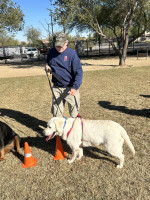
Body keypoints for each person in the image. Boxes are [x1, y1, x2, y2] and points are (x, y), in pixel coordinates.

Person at [45, 32, 83, 118]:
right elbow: (48, 62)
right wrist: (47, 67)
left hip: (70, 88)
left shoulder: (72, 54)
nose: (59, 48)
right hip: (56, 88)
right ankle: (58, 131)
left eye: (61, 45)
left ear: (66, 42)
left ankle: (74, 130)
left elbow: (79, 72)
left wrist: (75, 87)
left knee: (74, 114)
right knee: (56, 114)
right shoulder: (51, 52)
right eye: (57, 45)